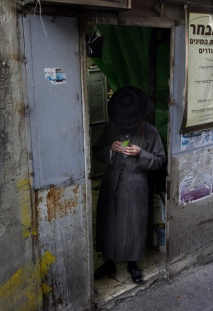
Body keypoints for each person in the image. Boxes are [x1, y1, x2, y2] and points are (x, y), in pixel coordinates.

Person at [93, 86, 166, 284]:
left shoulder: (150, 132)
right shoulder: (111, 127)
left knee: (134, 224)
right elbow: (96, 152)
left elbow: (160, 161)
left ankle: (132, 263)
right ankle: (109, 262)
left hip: (136, 184)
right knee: (109, 223)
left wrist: (141, 153)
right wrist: (109, 148)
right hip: (112, 181)